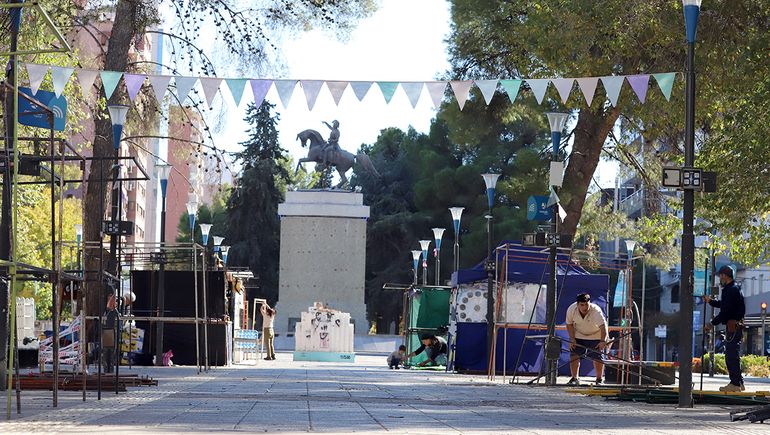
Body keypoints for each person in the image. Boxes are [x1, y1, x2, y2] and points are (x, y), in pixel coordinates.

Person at [705, 265, 746, 392]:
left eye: (720, 276)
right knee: (734, 355)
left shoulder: (730, 290)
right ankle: (739, 382)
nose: (719, 279)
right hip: (735, 325)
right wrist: (711, 301)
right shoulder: (733, 288)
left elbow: (725, 312)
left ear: (725, 276)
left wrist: (711, 324)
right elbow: (724, 305)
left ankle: (735, 384)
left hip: (733, 326)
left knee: (730, 356)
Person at [565, 293, 608, 386]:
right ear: (577, 304)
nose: (584, 307)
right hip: (579, 334)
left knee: (597, 356)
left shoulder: (596, 310)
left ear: (589, 303)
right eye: (582, 305)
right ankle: (574, 378)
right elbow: (569, 324)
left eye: (586, 304)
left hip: (596, 335)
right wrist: (572, 339)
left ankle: (599, 379)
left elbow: (603, 326)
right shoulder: (571, 309)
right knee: (574, 354)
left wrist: (603, 341)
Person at [102, 293, 119, 373]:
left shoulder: (115, 312)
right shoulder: (105, 311)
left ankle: (111, 371)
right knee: (105, 353)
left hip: (112, 332)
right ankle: (106, 370)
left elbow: (118, 320)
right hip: (105, 332)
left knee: (112, 353)